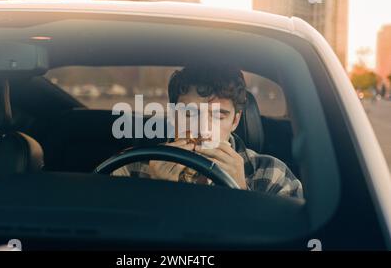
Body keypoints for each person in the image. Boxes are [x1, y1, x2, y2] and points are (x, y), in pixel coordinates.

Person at [113, 66, 303, 199]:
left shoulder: (272, 175)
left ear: (235, 121)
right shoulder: (131, 168)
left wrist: (242, 194)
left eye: (218, 115)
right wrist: (155, 193)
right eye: (189, 113)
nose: (202, 129)